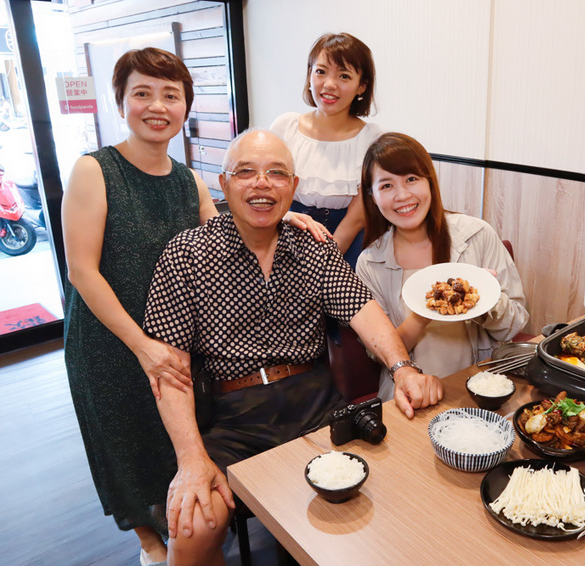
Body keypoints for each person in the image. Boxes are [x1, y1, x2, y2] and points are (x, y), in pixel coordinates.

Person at [61, 48, 327, 566]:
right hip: (112, 342)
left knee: (178, 440)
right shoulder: (94, 170)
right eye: (142, 93)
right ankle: (151, 546)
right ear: (121, 102)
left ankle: (182, 528)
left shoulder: (189, 179)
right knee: (129, 445)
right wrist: (141, 346)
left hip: (174, 337)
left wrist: (282, 214)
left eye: (171, 95)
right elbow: (81, 272)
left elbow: (225, 224)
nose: (157, 105)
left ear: (184, 106)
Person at [142, 129, 444, 565]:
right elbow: (169, 369)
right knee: (194, 524)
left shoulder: (313, 246)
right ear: (224, 184)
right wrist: (190, 459)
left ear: (293, 188)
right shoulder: (187, 254)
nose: (262, 183)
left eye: (276, 174)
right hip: (233, 416)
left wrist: (403, 369)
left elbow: (363, 309)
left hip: (315, 405)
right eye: (246, 172)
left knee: (386, 484)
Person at [356, 133, 530, 400]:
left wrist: (485, 300)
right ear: (372, 196)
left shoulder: (477, 235)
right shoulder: (370, 262)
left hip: (481, 386)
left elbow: (516, 322)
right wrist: (424, 313)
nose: (402, 195)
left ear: (430, 181)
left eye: (411, 179)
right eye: (386, 185)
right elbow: (378, 354)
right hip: (410, 393)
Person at [270, 32, 381, 268]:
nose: (329, 84)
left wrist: (330, 256)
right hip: (285, 230)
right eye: (320, 71)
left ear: (361, 86)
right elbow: (268, 188)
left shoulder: (372, 138)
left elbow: (358, 213)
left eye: (344, 75)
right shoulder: (284, 126)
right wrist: (284, 218)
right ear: (309, 75)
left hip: (348, 240)